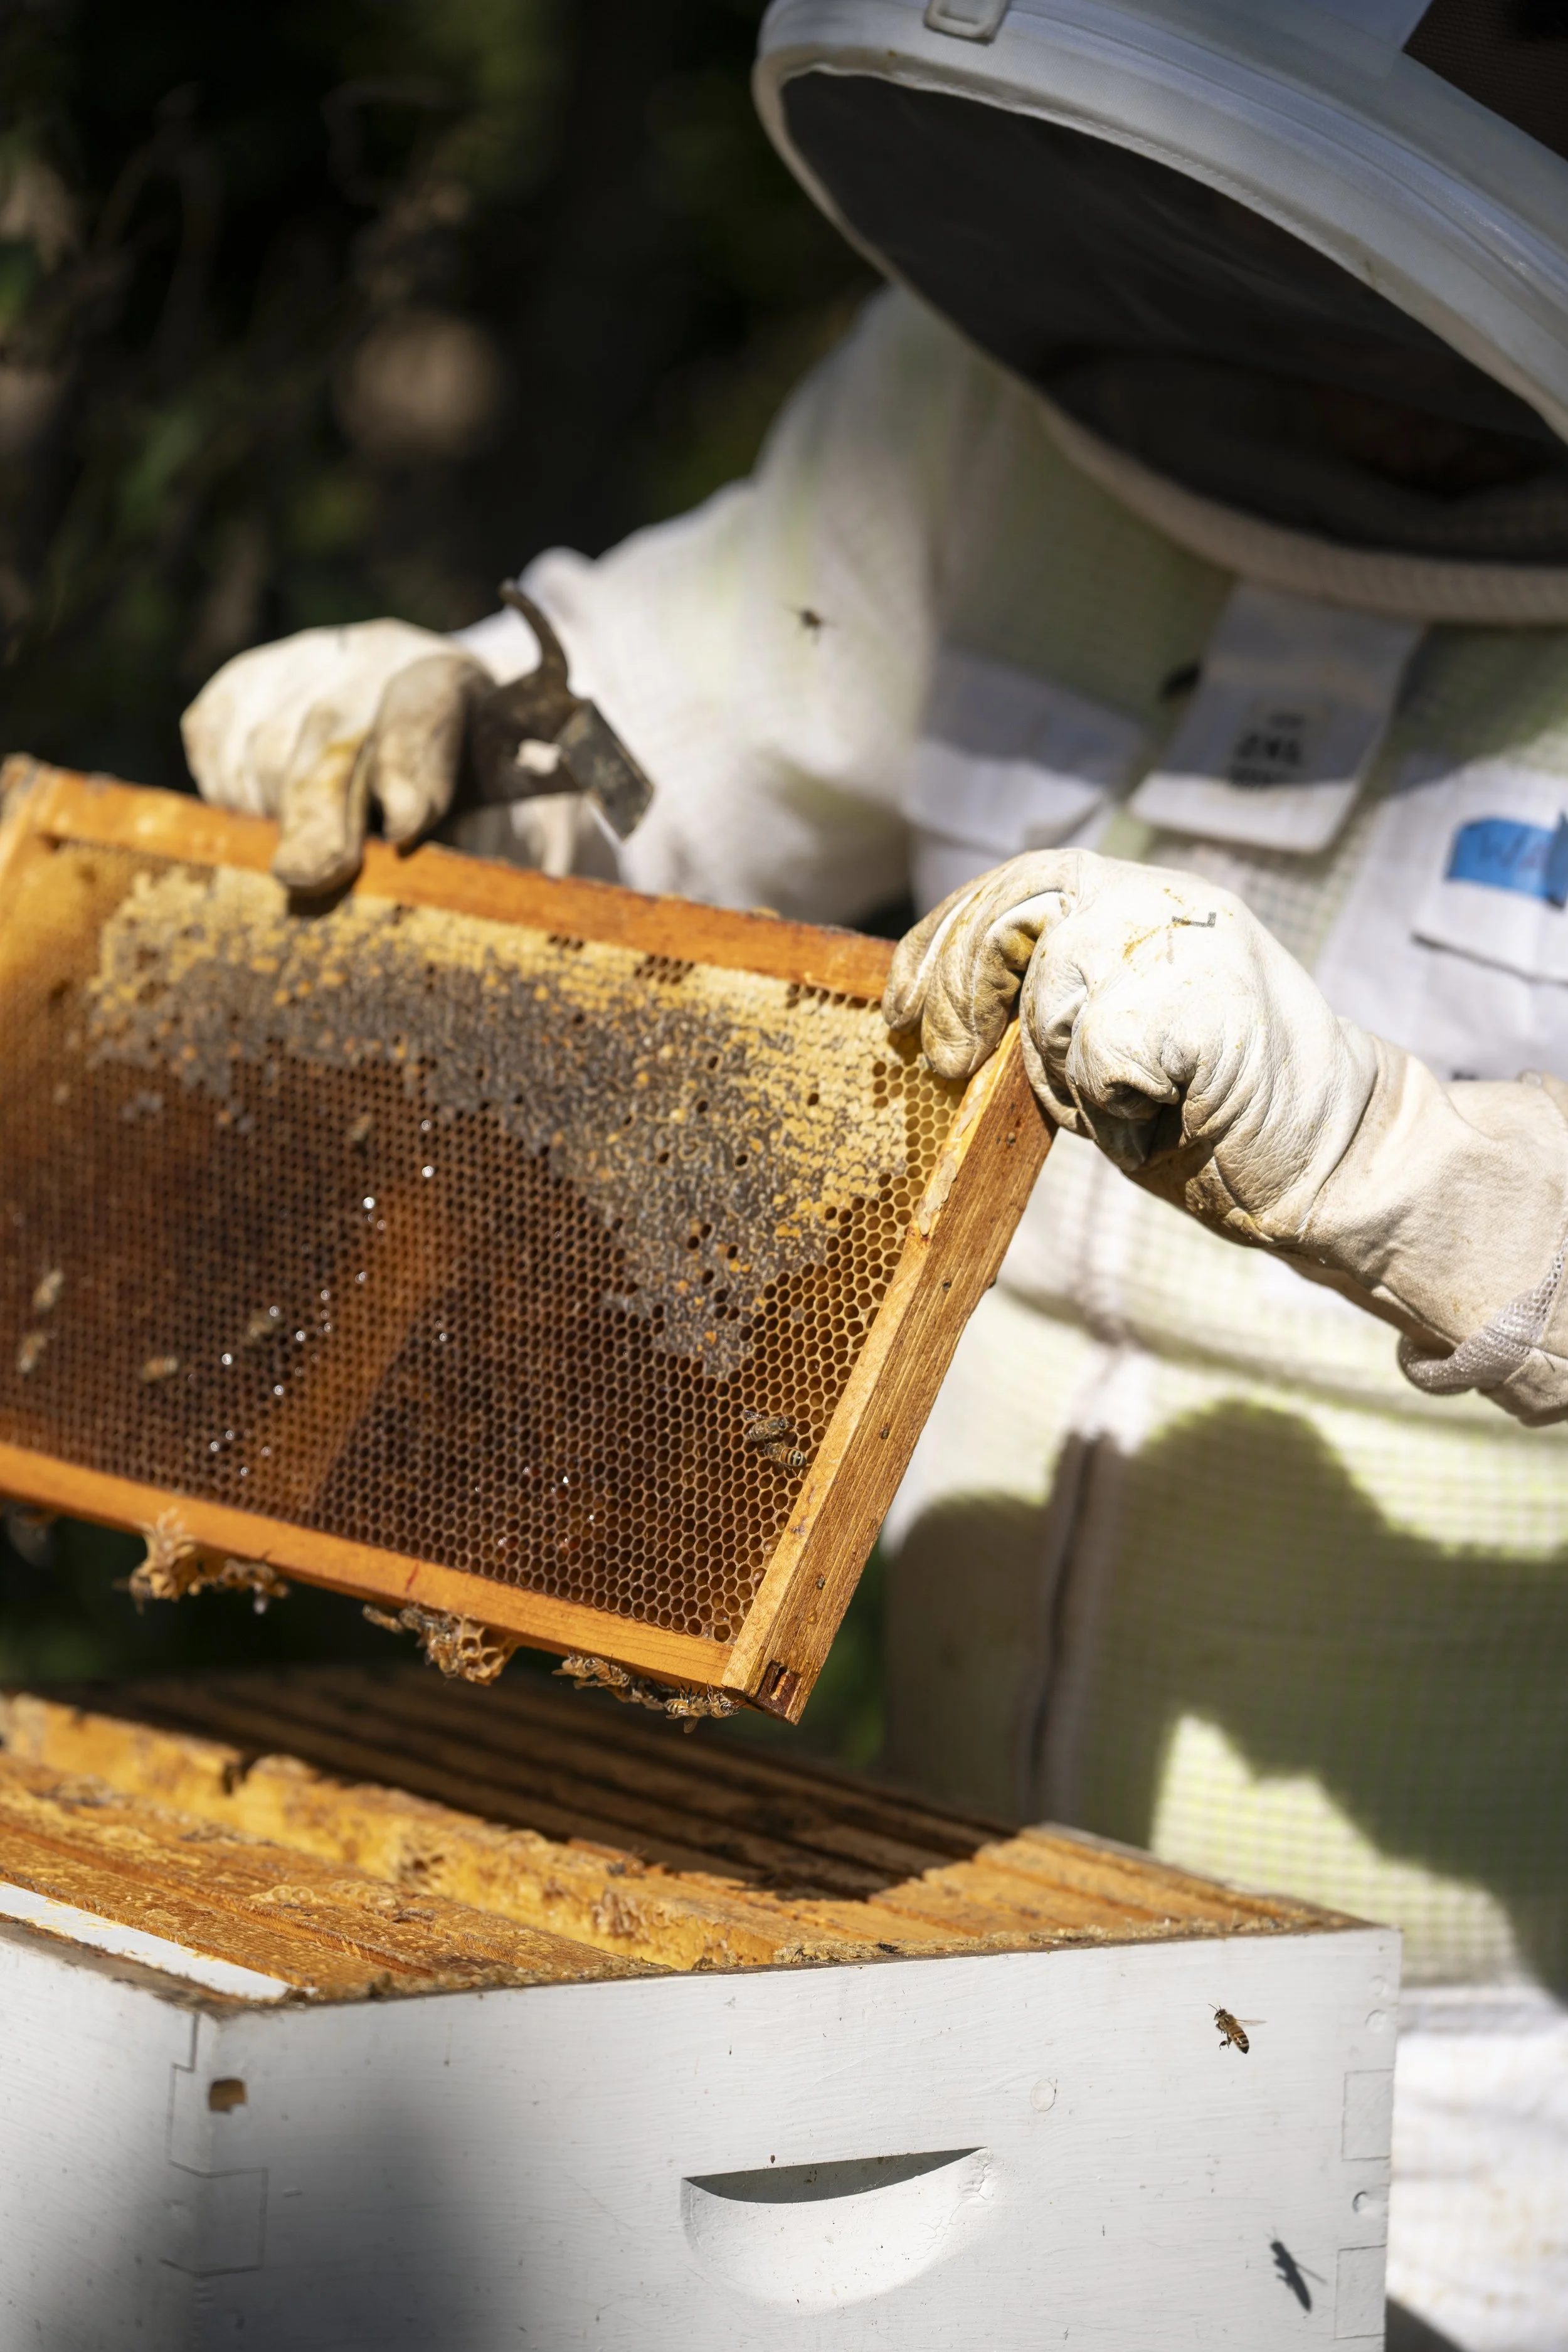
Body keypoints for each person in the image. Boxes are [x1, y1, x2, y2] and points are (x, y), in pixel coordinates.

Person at [182, 4, 1568, 2343]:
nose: (1328, 367)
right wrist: (437, 728)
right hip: (925, 1929)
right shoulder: (978, 416)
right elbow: (657, 742)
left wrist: (1374, 1151)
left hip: (1494, 2105)